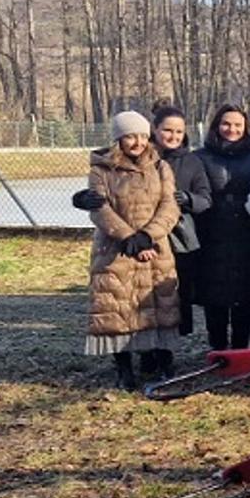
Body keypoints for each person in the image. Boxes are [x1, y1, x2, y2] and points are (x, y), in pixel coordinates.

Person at [75, 112, 182, 389]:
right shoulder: (102, 169)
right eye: (131, 136)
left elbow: (169, 206)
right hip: (115, 249)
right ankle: (123, 368)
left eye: (143, 136)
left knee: (160, 304)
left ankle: (164, 362)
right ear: (119, 137)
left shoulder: (160, 167)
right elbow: (99, 208)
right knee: (116, 307)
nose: (138, 142)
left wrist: (148, 236)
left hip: (155, 247)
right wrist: (127, 238)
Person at [193, 104, 250, 351]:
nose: (231, 129)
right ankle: (217, 351)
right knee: (213, 297)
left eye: (237, 125)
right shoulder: (201, 157)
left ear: (246, 127)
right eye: (226, 124)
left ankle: (240, 350)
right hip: (211, 233)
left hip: (248, 234)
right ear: (217, 126)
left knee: (244, 298)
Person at [150, 106, 210, 337]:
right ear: (155, 129)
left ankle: (170, 345)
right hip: (147, 235)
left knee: (175, 292)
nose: (173, 136)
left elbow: (205, 198)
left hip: (179, 237)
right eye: (167, 130)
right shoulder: (143, 158)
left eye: (178, 131)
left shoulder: (192, 162)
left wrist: (188, 199)